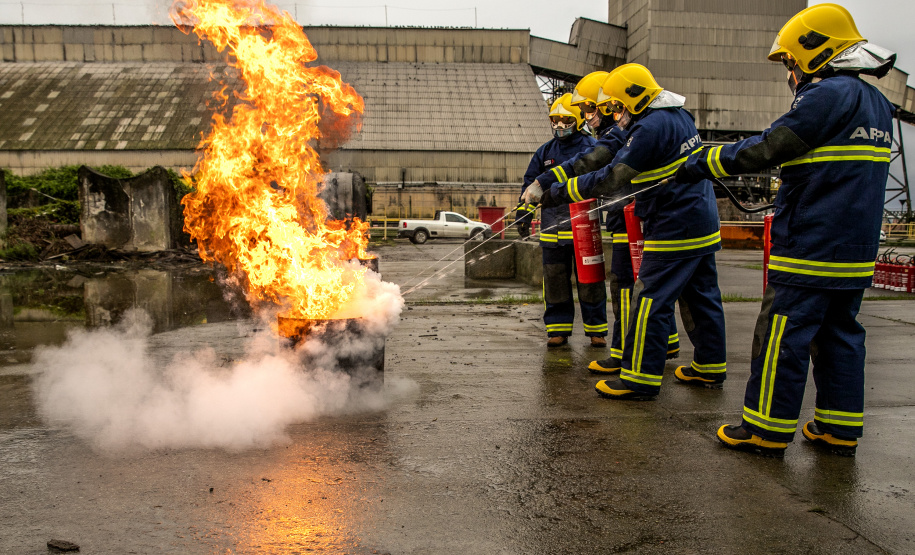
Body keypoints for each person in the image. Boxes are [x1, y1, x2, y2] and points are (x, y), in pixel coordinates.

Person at [676, 4, 896, 457]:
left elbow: (768, 147)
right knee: (840, 334)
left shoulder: (825, 96)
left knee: (782, 335)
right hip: (854, 251)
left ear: (817, 53)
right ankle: (838, 428)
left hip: (810, 245)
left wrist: (701, 162)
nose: (791, 72)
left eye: (792, 61)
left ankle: (764, 430)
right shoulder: (876, 103)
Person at [523, 64, 727, 399]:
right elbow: (599, 152)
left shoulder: (650, 128)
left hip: (674, 222)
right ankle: (709, 365)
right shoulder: (672, 116)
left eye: (616, 107)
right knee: (701, 295)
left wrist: (554, 193)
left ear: (634, 99)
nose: (613, 115)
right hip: (700, 220)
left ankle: (639, 378)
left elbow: (611, 177)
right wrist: (545, 179)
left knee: (650, 299)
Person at [531, 70, 681, 373]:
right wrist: (543, 182)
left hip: (637, 216)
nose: (586, 117)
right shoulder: (635, 127)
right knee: (650, 285)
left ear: (607, 104)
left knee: (628, 284)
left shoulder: (631, 131)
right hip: (639, 215)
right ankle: (664, 342)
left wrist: (556, 191)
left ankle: (627, 353)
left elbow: (602, 174)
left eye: (588, 110)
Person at [524, 92, 608, 347]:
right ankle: (557, 330)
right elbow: (530, 184)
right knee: (555, 281)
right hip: (552, 231)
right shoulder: (545, 151)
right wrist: (523, 215)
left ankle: (597, 330)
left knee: (590, 280)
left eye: (565, 120)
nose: (559, 126)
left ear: (577, 120)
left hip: (583, 229)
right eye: (555, 119)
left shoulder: (590, 147)